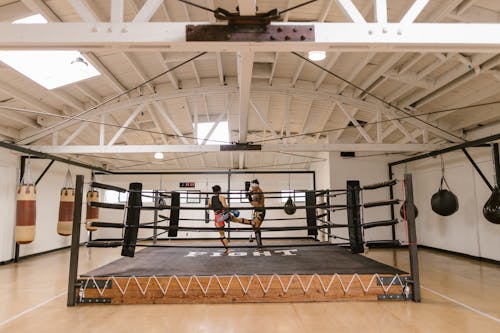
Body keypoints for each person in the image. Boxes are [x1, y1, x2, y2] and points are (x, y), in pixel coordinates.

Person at [231, 179, 265, 248]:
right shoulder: (255, 190)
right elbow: (247, 195)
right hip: (256, 212)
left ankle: (236, 220)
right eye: (251, 186)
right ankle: (260, 245)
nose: (251, 187)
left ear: (256, 186)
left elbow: (255, 204)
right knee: (256, 228)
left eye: (252, 186)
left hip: (260, 212)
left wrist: (249, 198)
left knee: (254, 224)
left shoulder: (258, 193)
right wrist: (246, 191)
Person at [207, 185, 230, 254]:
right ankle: (227, 249)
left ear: (213, 191)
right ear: (219, 190)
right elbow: (225, 206)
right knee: (221, 235)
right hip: (222, 215)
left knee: (222, 235)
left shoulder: (210, 199)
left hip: (218, 217)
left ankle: (228, 249)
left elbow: (209, 207)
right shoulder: (222, 197)